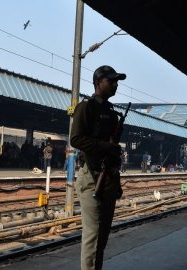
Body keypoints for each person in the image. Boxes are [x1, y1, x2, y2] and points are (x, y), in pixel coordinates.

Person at [71, 65, 126, 270]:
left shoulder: (111, 113)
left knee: (101, 239)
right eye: (110, 81)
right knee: (93, 238)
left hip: (108, 178)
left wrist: (116, 175)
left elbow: (111, 152)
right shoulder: (86, 107)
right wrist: (106, 146)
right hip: (91, 176)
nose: (115, 84)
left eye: (116, 81)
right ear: (97, 83)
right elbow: (75, 138)